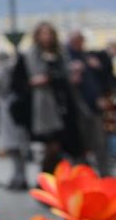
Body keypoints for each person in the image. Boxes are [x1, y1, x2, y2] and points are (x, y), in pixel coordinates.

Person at [24, 22, 79, 173]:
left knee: (60, 145)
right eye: (43, 33)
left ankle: (54, 177)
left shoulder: (60, 53)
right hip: (44, 105)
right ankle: (45, 178)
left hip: (62, 102)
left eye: (49, 33)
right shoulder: (33, 53)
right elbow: (33, 77)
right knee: (51, 145)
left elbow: (65, 74)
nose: (46, 37)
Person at [67, 31, 109, 175]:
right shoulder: (67, 57)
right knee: (80, 143)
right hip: (76, 108)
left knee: (99, 142)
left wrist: (97, 68)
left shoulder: (87, 57)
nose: (80, 43)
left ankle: (103, 173)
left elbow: (99, 80)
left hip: (93, 105)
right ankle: (81, 174)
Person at [0, 50, 30, 190]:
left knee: (13, 145)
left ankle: (19, 177)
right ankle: (20, 177)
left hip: (9, 109)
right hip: (17, 109)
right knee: (18, 145)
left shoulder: (4, 69)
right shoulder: (17, 68)